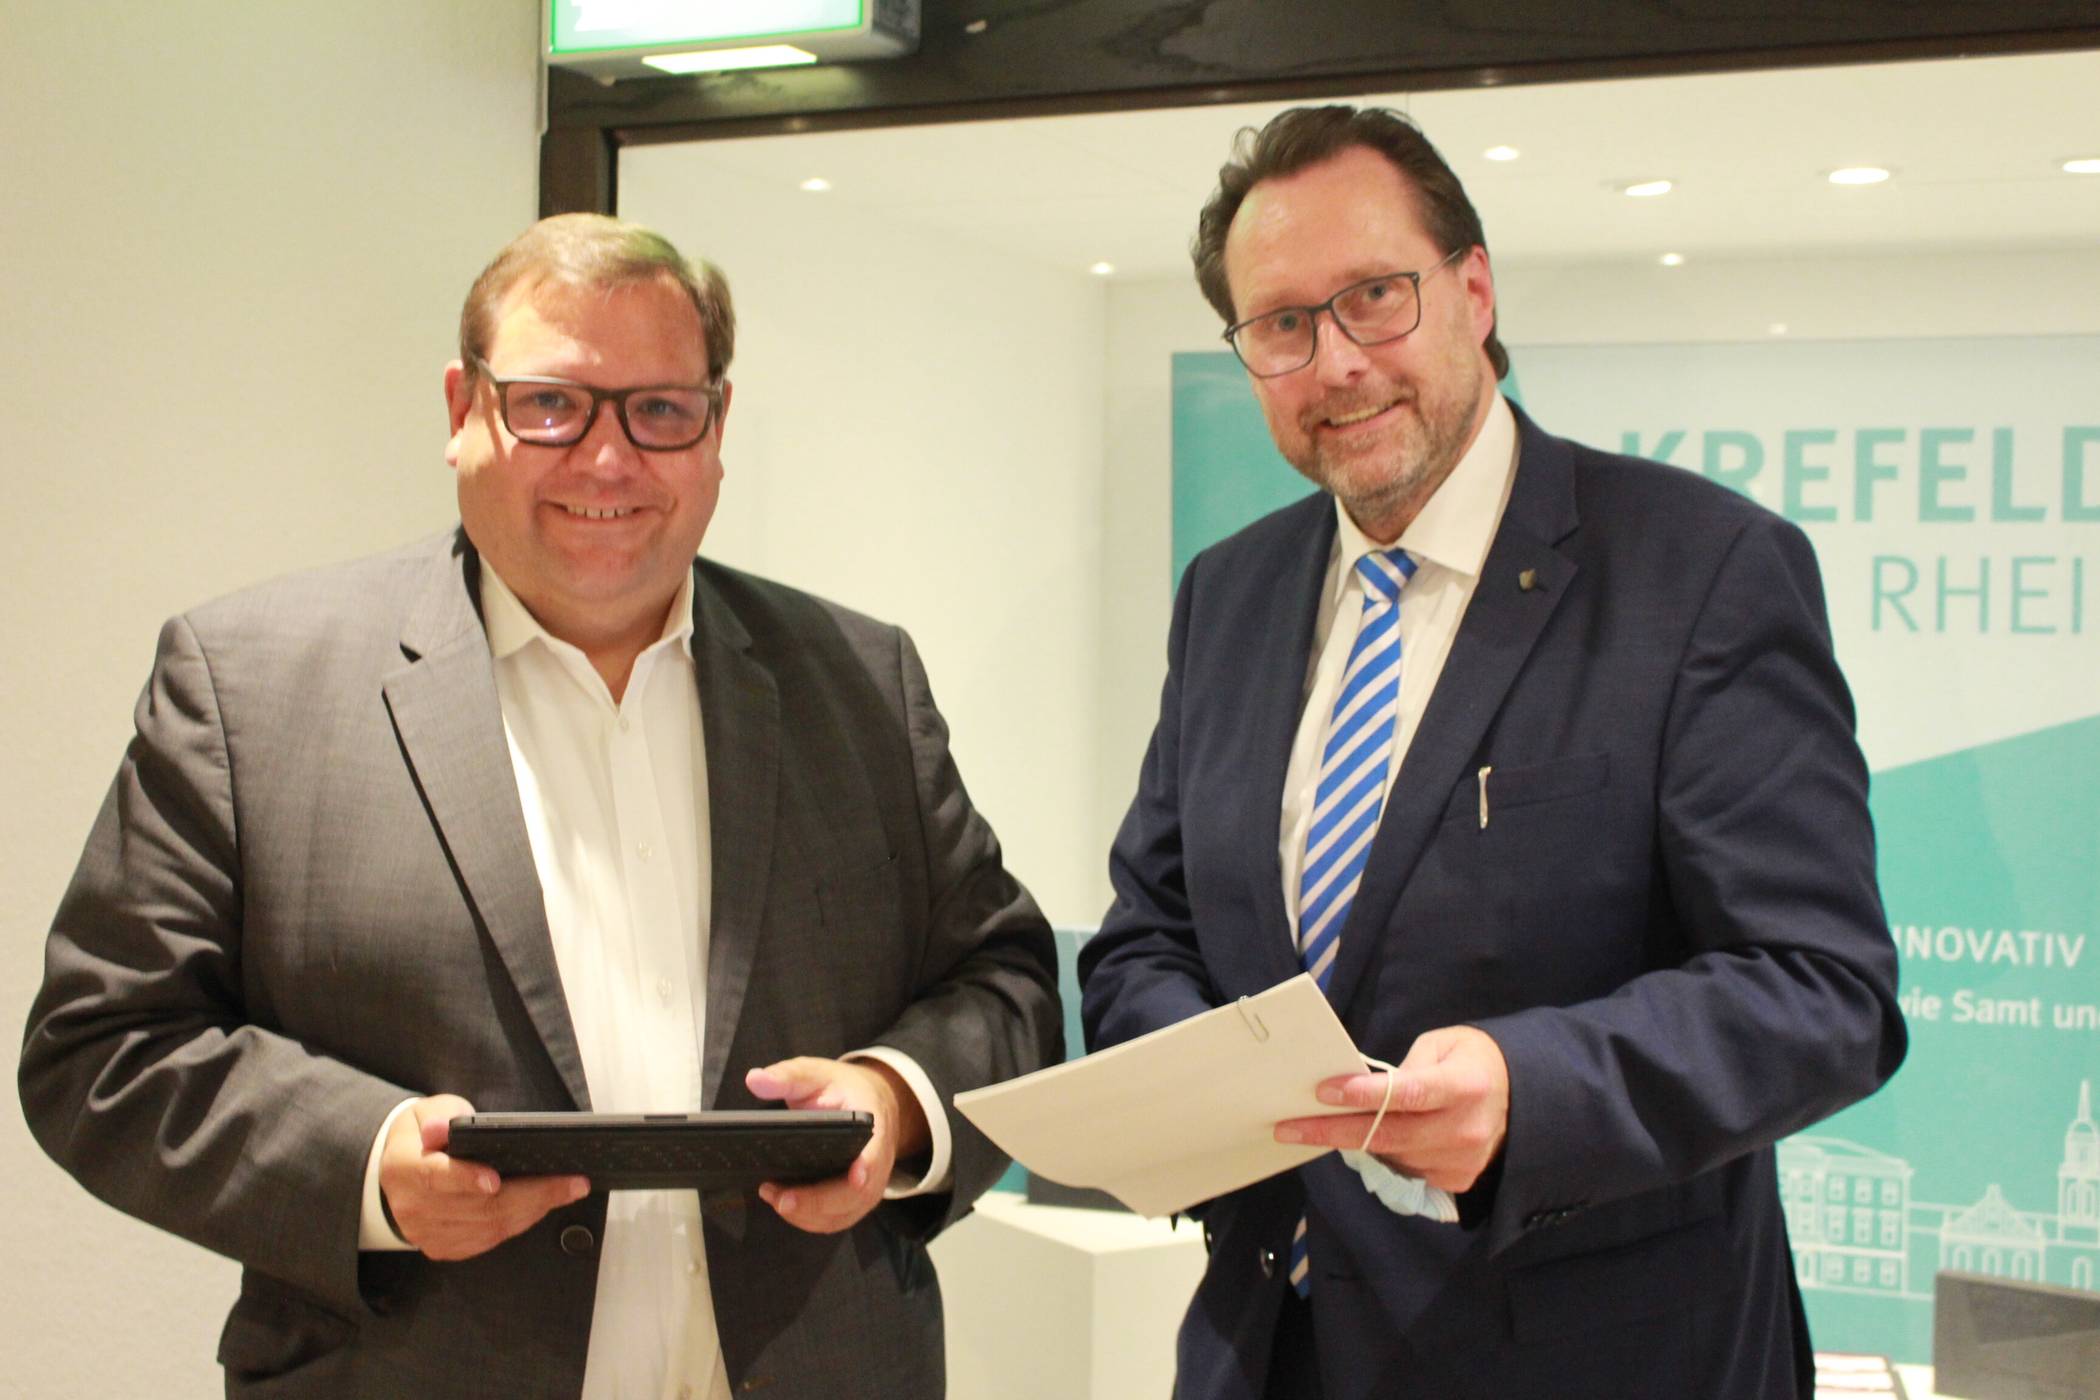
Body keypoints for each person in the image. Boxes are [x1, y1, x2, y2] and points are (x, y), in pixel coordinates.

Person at [19, 213, 1060, 1399]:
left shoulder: (861, 679)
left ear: (717, 430)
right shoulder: (249, 685)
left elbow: (1008, 986)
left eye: (660, 409)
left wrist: (898, 1100)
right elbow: (100, 1047)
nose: (608, 461)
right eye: (553, 405)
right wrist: (363, 1166)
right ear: (463, 409)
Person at [1079, 105, 1906, 1400]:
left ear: (1473, 288)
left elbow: (1823, 993)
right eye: (1282, 326)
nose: (1336, 361)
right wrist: (1204, 1085)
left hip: (1598, 1359)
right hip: (1269, 1353)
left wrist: (1528, 1088)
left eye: (1374, 297)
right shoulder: (1228, 595)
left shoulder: (1701, 573)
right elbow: (1148, 933)